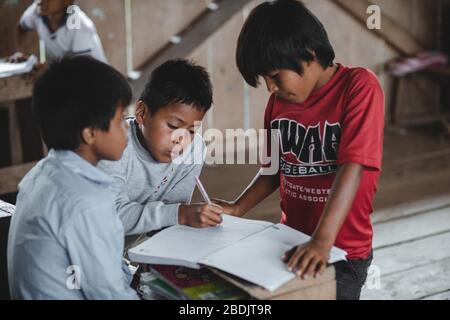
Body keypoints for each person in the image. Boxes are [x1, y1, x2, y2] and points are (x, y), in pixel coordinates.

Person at [213, 0, 385, 300]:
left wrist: (322, 241)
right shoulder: (278, 104)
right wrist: (237, 208)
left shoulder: (359, 87)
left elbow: (353, 168)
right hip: (291, 241)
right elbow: (272, 170)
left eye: (276, 76)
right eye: (264, 80)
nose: (270, 88)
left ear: (310, 54)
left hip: (343, 253)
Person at [7, 56, 138, 300]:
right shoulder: (86, 201)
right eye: (120, 119)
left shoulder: (43, 173)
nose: (127, 127)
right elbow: (108, 294)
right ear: (90, 133)